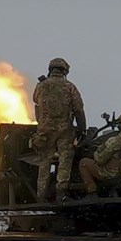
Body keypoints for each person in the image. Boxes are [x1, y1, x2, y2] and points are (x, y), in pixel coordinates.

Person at [32, 57, 86, 202]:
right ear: (65, 71)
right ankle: (61, 194)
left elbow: (36, 100)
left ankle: (41, 195)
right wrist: (82, 130)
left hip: (44, 131)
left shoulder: (40, 85)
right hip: (64, 131)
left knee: (44, 162)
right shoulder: (70, 87)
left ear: (51, 70)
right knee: (64, 160)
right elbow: (78, 109)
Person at [78, 112, 121, 198]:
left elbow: (99, 159)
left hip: (110, 175)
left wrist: (98, 150)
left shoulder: (115, 141)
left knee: (83, 162)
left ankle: (92, 193)